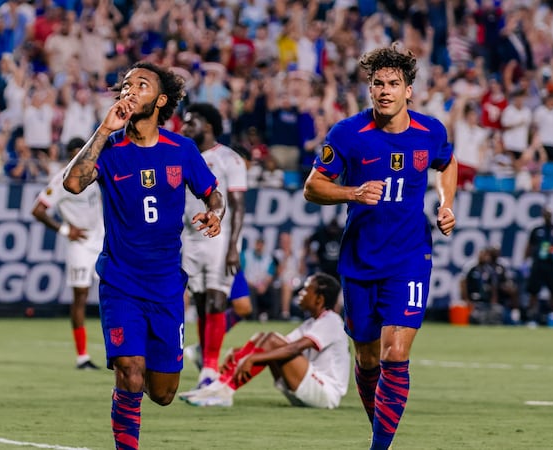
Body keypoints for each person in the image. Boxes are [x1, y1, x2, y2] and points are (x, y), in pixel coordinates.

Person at [61, 61, 224, 450]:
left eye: (142, 85)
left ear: (161, 100)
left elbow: (212, 194)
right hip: (120, 282)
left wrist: (214, 213)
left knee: (163, 391)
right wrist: (104, 129)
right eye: (127, 85)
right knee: (130, 372)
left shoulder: (182, 149)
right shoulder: (110, 147)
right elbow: (72, 183)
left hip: (166, 285)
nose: (131, 90)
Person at [302, 44, 457, 450]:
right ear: (369, 89)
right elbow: (313, 187)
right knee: (368, 359)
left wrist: (447, 204)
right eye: (378, 84)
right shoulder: (348, 134)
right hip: (359, 259)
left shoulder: (431, 131)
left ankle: (379, 447)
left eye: (394, 83)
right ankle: (380, 432)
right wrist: (352, 192)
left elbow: (448, 163)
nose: (385, 91)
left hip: (409, 257)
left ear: (409, 91)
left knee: (395, 353)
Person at [181, 272, 350, 409]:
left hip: (325, 394)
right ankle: (217, 386)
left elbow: (292, 349)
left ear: (319, 299)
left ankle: (224, 391)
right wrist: (239, 354)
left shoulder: (332, 321)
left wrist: (251, 358)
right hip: (308, 388)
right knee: (264, 338)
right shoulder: (312, 323)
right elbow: (279, 342)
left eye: (306, 290)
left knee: (271, 342)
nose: (300, 293)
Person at [179, 102, 247, 391]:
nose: (184, 128)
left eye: (190, 122)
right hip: (189, 239)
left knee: (218, 299)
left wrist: (233, 246)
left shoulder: (230, 159)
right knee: (201, 302)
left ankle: (209, 368)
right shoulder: (182, 155)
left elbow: (238, 206)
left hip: (220, 237)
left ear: (207, 126)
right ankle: (206, 366)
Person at [32, 137, 104, 370]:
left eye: (82, 153)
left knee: (116, 292)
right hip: (80, 244)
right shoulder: (63, 178)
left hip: (102, 240)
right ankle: (82, 356)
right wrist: (65, 230)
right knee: (81, 296)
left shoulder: (97, 171)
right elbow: (38, 210)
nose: (79, 158)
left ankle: (121, 348)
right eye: (74, 154)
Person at [523, 207, 553, 326]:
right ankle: (531, 318)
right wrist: (525, 262)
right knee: (533, 292)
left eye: (549, 214)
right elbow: (529, 246)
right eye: (545, 214)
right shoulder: (536, 229)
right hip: (538, 264)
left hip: (552, 266)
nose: (547, 216)